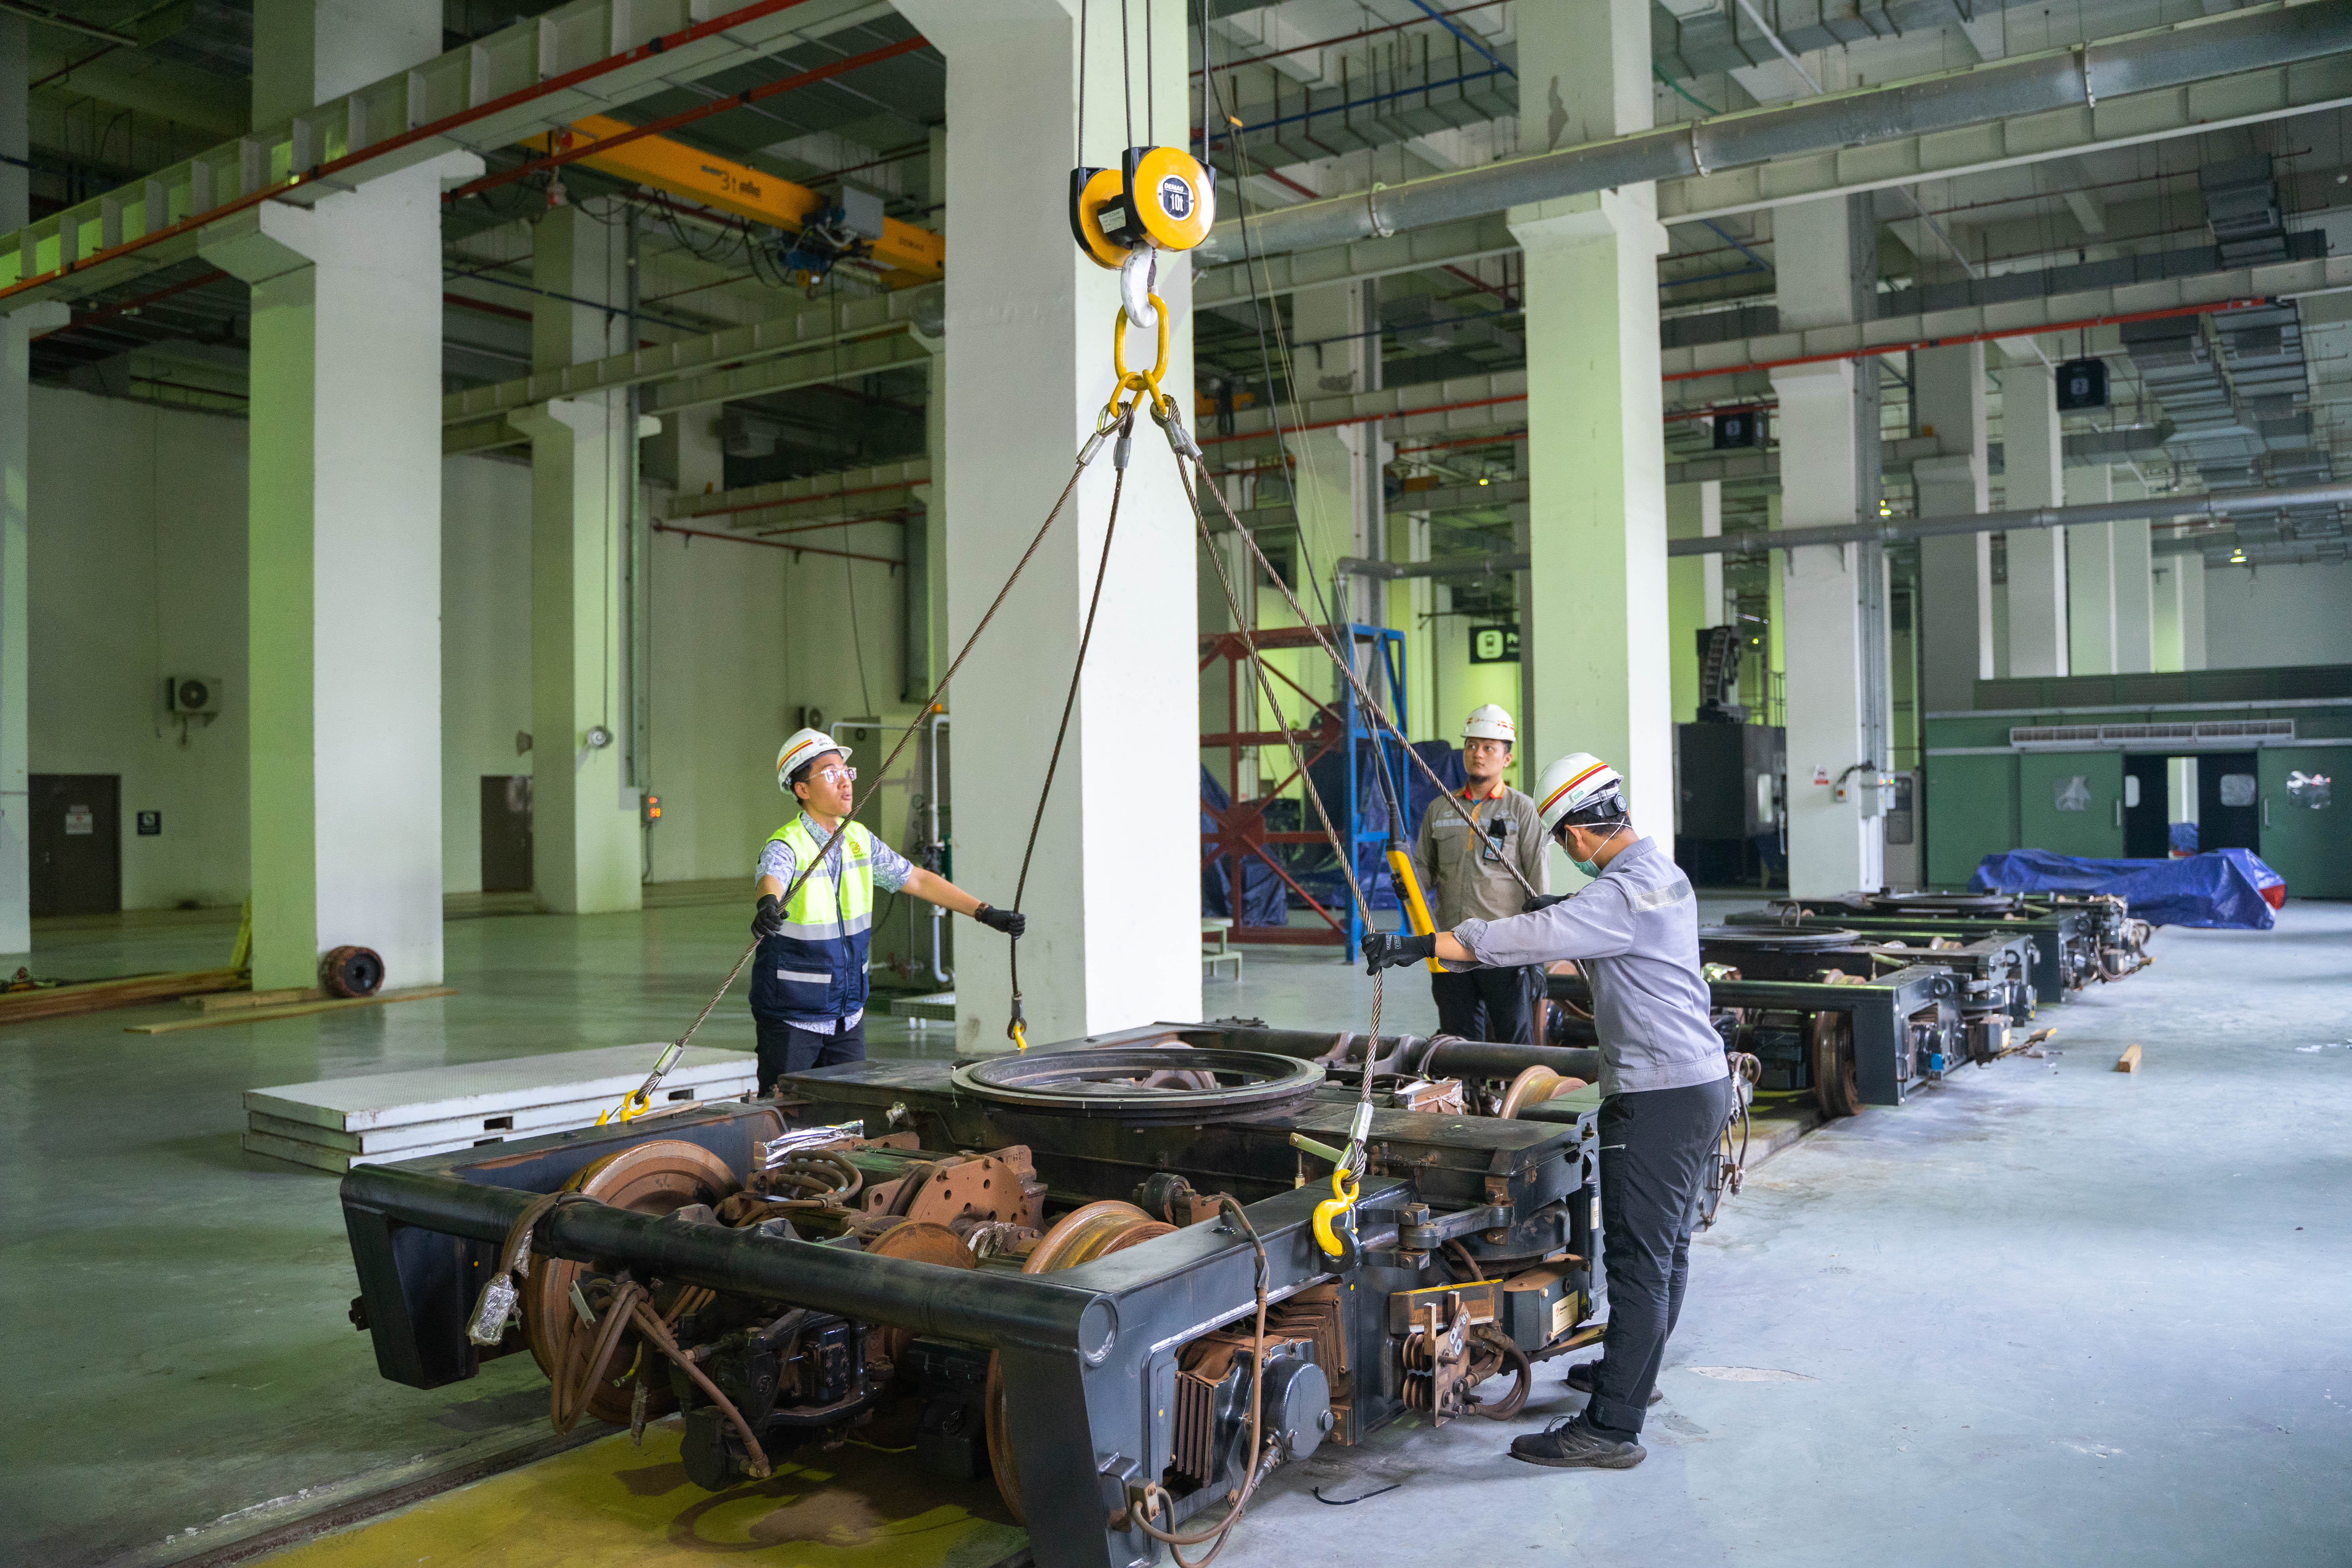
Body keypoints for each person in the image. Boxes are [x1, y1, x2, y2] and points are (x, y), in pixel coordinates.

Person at [1364, 751, 1731, 1471]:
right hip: (1701, 1085)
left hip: (1657, 1098)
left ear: (1581, 831)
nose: (1568, 850)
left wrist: (1424, 944)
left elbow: (1523, 941)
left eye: (1565, 840)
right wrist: (1561, 911)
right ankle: (1634, 1376)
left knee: (1638, 1263)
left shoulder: (1615, 898)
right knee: (1668, 1251)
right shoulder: (1664, 875)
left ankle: (1613, 1428)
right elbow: (1597, 933)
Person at [751, 728, 1024, 1090]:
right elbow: (772, 876)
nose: (845, 783)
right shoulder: (788, 844)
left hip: (847, 1016)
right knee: (785, 1110)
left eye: (847, 772)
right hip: (793, 1017)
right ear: (802, 789)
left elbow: (919, 881)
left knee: (852, 1109)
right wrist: (768, 903)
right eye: (831, 774)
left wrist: (984, 913)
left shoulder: (859, 839)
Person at [1406, 704, 1547, 1044]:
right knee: (1457, 1044)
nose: (1478, 754)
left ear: (1506, 758)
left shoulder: (1522, 810)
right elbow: (1424, 870)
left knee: (1514, 1044)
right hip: (1451, 946)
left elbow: (1538, 884)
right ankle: (1466, 1083)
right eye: (1471, 746)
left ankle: (1514, 1084)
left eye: (1489, 748)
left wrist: (1538, 956)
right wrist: (1407, 882)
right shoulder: (1441, 808)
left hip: (1504, 948)